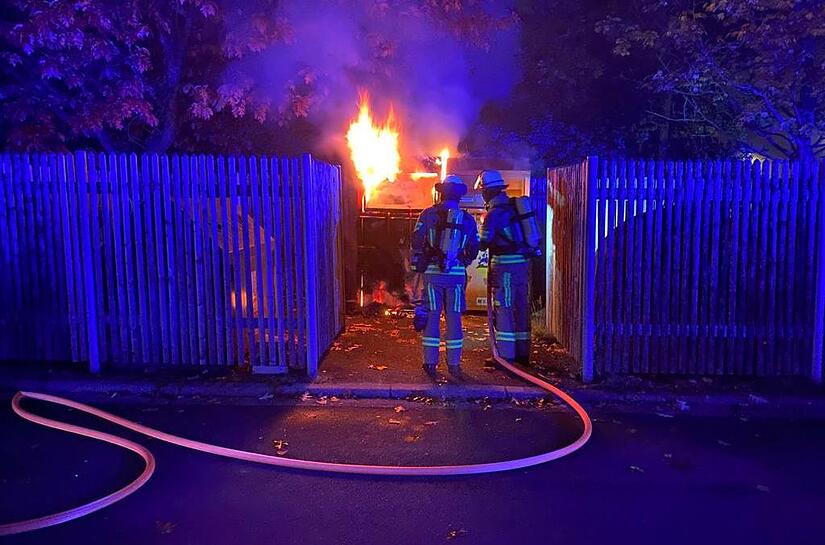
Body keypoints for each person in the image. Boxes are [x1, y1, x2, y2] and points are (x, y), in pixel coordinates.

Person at [410, 175, 480, 374]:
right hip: (456, 275)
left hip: (433, 275)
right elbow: (475, 247)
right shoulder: (467, 219)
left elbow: (416, 241)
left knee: (432, 317)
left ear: (441, 192)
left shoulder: (427, 214)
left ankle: (430, 363)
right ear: (460, 195)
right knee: (454, 318)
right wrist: (461, 261)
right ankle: (454, 365)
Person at [475, 169, 534, 364]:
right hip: (522, 265)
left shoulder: (493, 214)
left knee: (504, 308)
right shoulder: (513, 208)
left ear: (488, 191)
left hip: (505, 268)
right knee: (520, 307)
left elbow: (483, 242)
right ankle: (523, 353)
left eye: (483, 190)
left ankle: (506, 357)